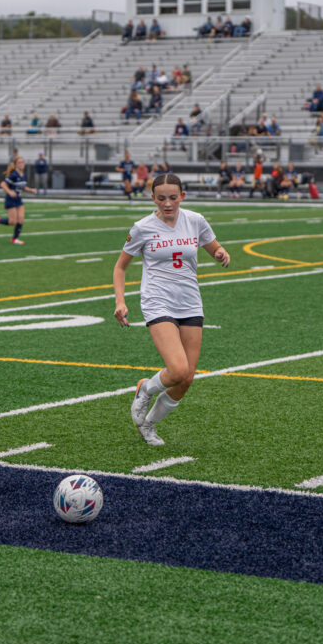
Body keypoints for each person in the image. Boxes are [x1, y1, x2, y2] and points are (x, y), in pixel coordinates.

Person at [113, 173, 230, 446]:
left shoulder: (195, 221)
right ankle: (145, 390)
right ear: (153, 198)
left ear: (182, 197)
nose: (168, 203)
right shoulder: (142, 227)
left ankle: (149, 425)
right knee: (176, 369)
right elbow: (120, 267)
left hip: (190, 301)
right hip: (157, 301)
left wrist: (222, 253)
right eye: (162, 198)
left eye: (173, 198)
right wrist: (120, 301)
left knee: (186, 379)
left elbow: (214, 247)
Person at [0, 156, 37, 245]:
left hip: (18, 199)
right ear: (16, 165)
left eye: (23, 162)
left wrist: (31, 190)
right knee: (12, 222)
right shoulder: (13, 175)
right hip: (10, 199)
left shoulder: (23, 175)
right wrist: (10, 192)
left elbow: (23, 187)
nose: (22, 164)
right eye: (19, 163)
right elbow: (3, 184)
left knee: (20, 220)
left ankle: (14, 239)